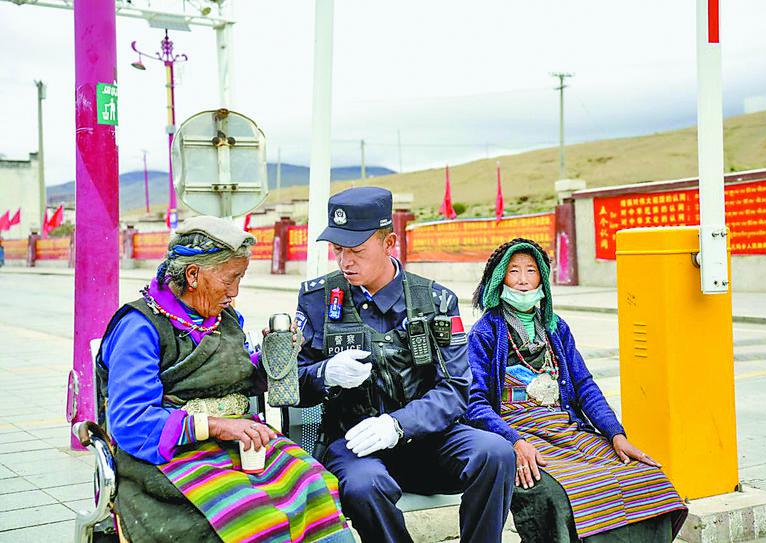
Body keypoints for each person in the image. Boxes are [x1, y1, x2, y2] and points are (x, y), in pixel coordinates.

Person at [96, 216, 353, 543]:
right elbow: (131, 421)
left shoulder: (224, 318)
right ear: (193, 275)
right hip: (169, 455)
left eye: (240, 278)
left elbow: (236, 377)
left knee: (316, 484)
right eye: (231, 278)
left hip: (237, 443)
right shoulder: (139, 327)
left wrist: (274, 360)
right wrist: (217, 426)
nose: (234, 292)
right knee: (253, 516)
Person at [294, 187, 516, 542]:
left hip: (428, 440)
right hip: (355, 445)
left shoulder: (435, 301)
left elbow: (455, 389)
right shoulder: (317, 299)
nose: (345, 262)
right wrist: (325, 374)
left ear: (389, 243)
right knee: (365, 485)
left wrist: (399, 424)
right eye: (338, 250)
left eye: (356, 251)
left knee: (496, 453)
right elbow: (292, 386)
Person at [466, 238, 688, 543]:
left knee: (645, 478)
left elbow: (584, 386)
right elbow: (475, 403)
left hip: (566, 428)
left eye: (531, 271)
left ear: (542, 279)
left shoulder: (556, 327)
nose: (522, 280)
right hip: (520, 434)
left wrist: (615, 434)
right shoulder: (485, 332)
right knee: (557, 495)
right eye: (513, 271)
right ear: (499, 279)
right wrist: (513, 442)